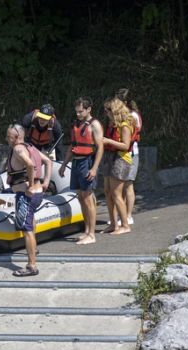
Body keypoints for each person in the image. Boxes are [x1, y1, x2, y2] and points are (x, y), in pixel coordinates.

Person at [5, 124, 52, 277]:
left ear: (17, 137)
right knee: (30, 222)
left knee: (27, 230)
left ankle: (32, 266)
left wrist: (31, 186)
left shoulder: (18, 149)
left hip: (27, 195)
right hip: (37, 194)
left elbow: (30, 165)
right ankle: (34, 249)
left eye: (9, 136)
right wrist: (46, 182)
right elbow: (48, 161)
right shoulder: (30, 147)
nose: (7, 139)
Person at [58, 97, 104, 245]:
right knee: (80, 197)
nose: (78, 114)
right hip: (76, 162)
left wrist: (94, 168)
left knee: (88, 198)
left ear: (89, 109)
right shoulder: (76, 124)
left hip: (87, 161)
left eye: (80, 111)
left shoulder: (94, 125)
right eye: (76, 111)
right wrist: (64, 164)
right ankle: (86, 230)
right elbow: (73, 145)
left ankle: (92, 234)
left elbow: (100, 147)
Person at [100, 98, 134, 235]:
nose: (106, 113)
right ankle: (113, 224)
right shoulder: (112, 124)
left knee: (116, 194)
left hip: (121, 160)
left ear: (115, 111)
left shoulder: (125, 125)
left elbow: (126, 146)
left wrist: (108, 141)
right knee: (108, 192)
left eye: (108, 111)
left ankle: (125, 224)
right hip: (110, 158)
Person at [114, 88, 141, 228]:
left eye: (118, 102)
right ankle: (121, 215)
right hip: (122, 153)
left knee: (128, 184)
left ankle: (128, 216)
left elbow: (129, 137)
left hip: (131, 153)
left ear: (125, 102)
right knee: (121, 185)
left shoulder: (132, 116)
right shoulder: (122, 115)